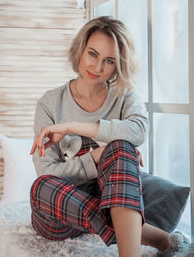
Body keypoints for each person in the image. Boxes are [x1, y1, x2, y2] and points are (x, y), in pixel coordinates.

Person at [30, 16, 189, 257]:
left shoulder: (126, 97)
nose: (97, 68)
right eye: (92, 54)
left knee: (122, 147)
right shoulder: (50, 103)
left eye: (109, 61)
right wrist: (95, 156)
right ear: (80, 50)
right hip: (60, 212)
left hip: (113, 198)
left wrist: (73, 126)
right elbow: (46, 172)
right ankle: (156, 237)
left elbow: (139, 131)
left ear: (118, 65)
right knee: (40, 186)